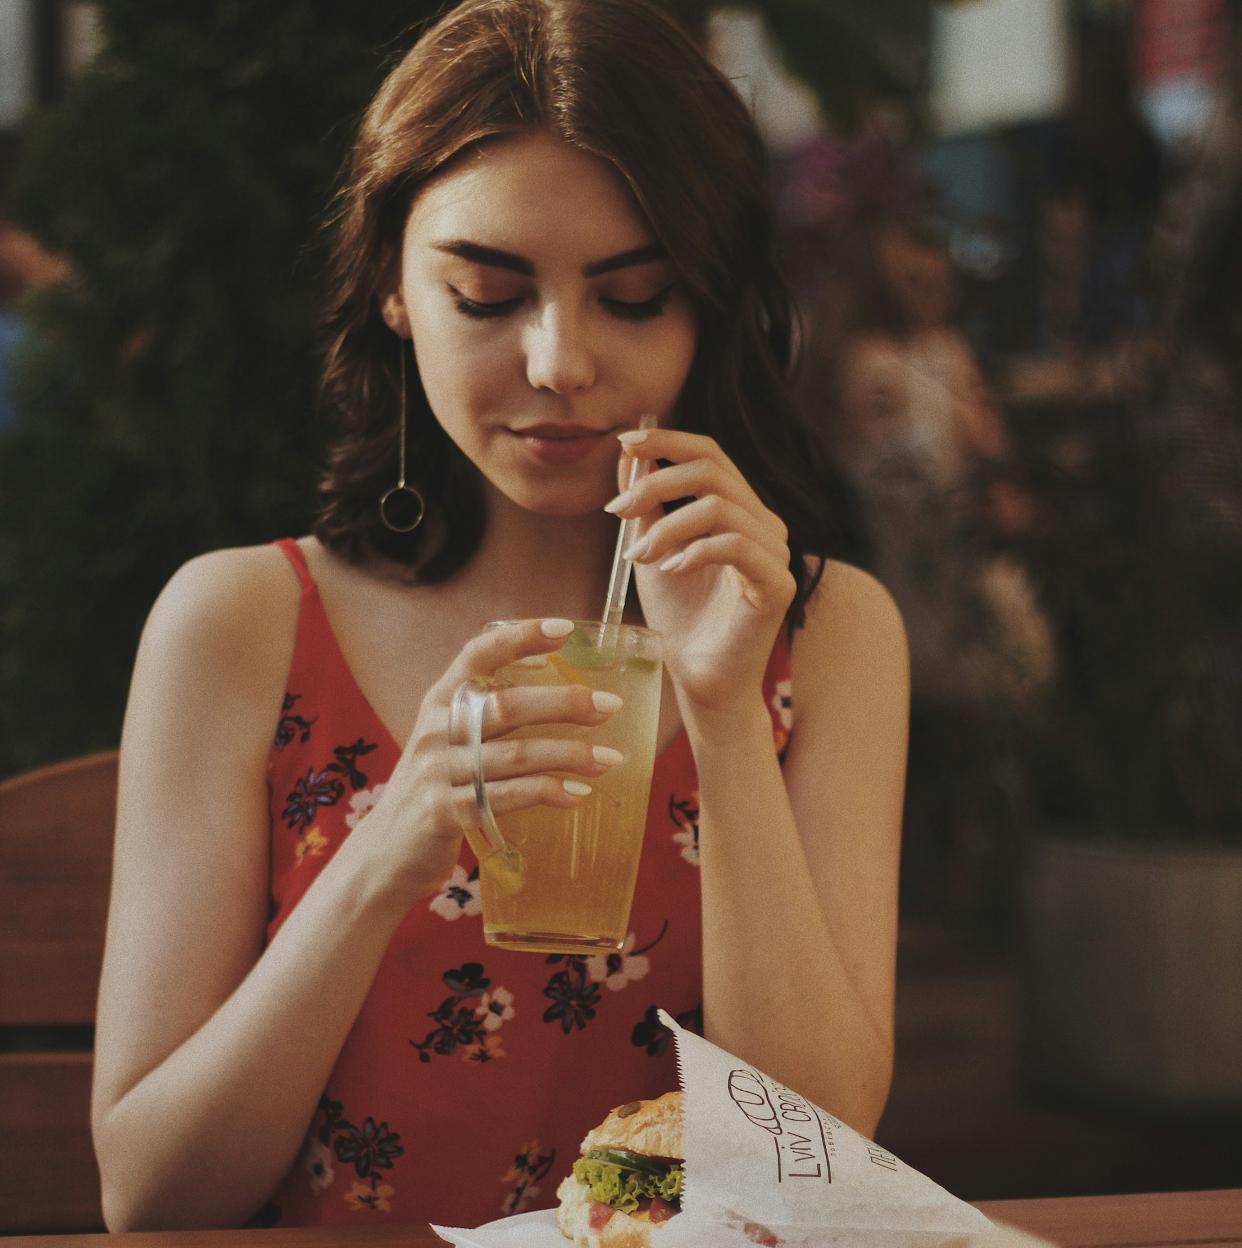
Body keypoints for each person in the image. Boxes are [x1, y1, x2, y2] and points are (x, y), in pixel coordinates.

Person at [90, 0, 909, 1231]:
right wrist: (389, 848)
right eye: (487, 294)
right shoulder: (243, 623)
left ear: (709, 307)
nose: (559, 362)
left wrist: (726, 714)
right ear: (393, 289)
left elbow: (819, 1158)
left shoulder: (825, 632)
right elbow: (150, 1197)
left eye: (634, 298)